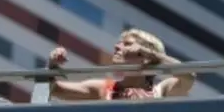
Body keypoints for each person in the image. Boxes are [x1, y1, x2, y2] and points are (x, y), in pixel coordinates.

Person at [46, 27, 195, 101]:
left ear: (144, 55)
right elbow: (55, 90)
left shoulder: (162, 91)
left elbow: (189, 76)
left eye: (127, 44)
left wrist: (154, 55)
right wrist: (52, 66)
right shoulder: (104, 88)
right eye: (118, 44)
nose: (117, 47)